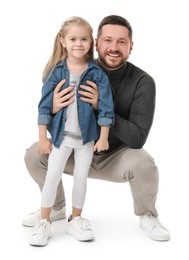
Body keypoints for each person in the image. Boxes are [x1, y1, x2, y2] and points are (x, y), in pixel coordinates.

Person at [23, 15, 170, 242]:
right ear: (97, 43)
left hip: (113, 156)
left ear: (131, 46)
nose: (113, 47)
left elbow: (138, 138)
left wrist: (99, 104)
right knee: (34, 154)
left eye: (121, 42)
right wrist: (52, 108)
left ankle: (147, 215)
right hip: (73, 147)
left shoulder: (142, 81)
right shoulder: (67, 70)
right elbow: (55, 118)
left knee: (143, 162)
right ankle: (56, 208)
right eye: (108, 40)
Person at [28, 16, 114, 246]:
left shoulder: (97, 74)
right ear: (62, 41)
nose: (79, 43)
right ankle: (44, 221)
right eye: (73, 39)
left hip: (86, 140)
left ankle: (75, 219)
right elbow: (44, 107)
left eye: (84, 39)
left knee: (80, 180)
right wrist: (41, 137)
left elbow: (106, 107)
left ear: (92, 42)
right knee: (52, 178)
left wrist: (103, 136)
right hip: (61, 139)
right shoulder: (56, 73)